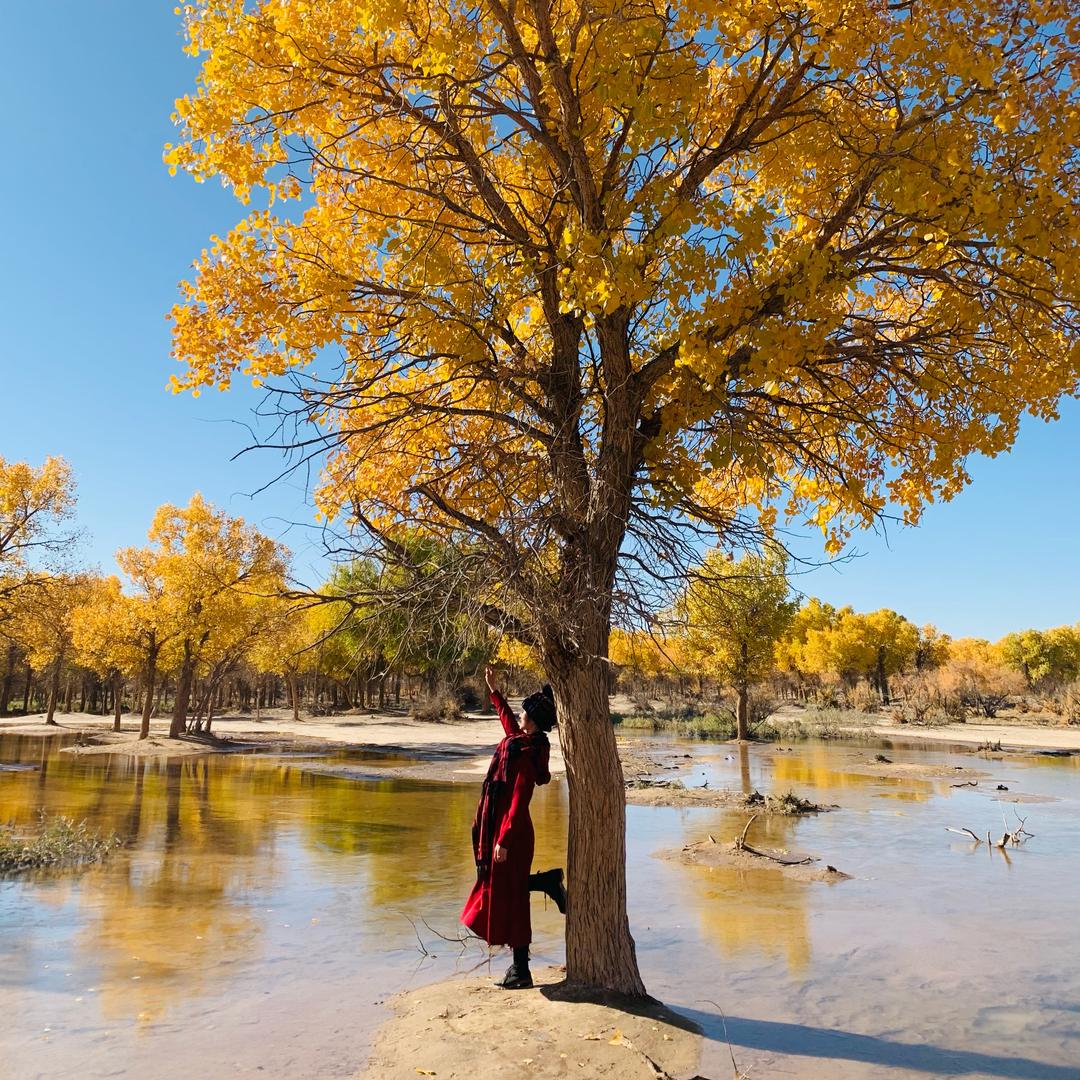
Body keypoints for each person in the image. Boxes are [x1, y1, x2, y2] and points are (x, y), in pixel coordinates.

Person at [461, 665, 567, 989]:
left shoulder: (527, 753)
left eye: (523, 712)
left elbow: (519, 799)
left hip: (513, 832)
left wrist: (504, 840)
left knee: (513, 895)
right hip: (504, 830)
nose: (519, 715)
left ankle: (521, 970)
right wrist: (493, 690)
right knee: (510, 889)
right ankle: (548, 882)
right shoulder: (521, 742)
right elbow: (508, 721)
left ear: (531, 719)